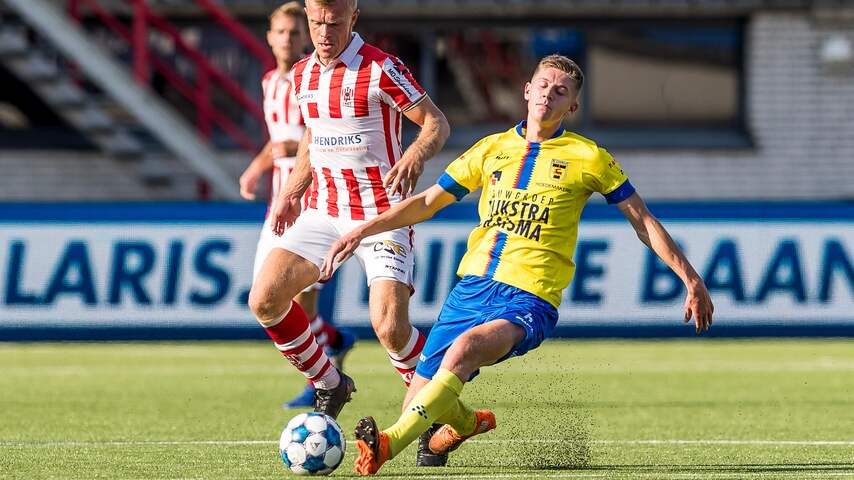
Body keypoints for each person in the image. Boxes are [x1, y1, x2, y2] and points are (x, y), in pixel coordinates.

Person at [320, 54, 715, 475]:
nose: (549, 93)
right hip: (471, 290)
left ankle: (387, 444)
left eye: (561, 91)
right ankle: (469, 424)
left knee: (465, 350)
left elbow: (643, 221)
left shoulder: (589, 157)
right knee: (423, 400)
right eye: (543, 85)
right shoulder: (491, 148)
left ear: (572, 108)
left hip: (529, 296)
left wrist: (690, 278)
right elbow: (428, 202)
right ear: (527, 90)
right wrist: (362, 230)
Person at [248, 0, 450, 423]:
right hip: (324, 210)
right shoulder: (302, 73)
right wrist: (291, 190)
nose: (324, 33)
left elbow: (435, 123)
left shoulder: (381, 68)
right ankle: (330, 383)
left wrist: (414, 154)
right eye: (317, 23)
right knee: (265, 299)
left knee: (391, 330)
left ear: (353, 19)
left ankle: (436, 415)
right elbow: (313, 136)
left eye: (334, 24)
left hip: (381, 215)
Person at [239, 2, 355, 409]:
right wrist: (256, 170)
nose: (287, 39)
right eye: (280, 32)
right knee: (270, 296)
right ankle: (334, 345)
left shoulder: (313, 77)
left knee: (300, 297)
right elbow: (277, 141)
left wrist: (283, 150)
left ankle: (321, 377)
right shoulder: (270, 80)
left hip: (312, 198)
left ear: (302, 37)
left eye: (293, 32)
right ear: (269, 37)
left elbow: (311, 133)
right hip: (280, 200)